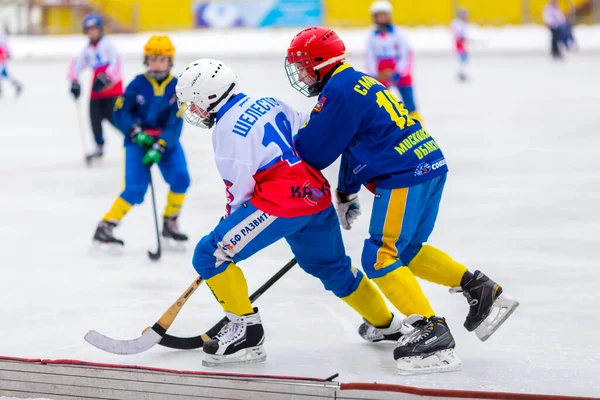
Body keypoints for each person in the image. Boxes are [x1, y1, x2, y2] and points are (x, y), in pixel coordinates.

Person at [285, 26, 519, 374]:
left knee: (379, 256)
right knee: (405, 250)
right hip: (428, 163)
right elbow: (352, 143)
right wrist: (346, 193)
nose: (301, 74)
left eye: (304, 66)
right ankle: (479, 288)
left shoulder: (339, 90)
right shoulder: (356, 81)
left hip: (404, 174)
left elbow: (314, 151)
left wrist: (293, 141)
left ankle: (430, 329)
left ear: (321, 63)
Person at [176, 58, 403, 368]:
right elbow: (306, 134)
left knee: (210, 255)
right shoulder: (266, 101)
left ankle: (246, 332)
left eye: (194, 103)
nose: (194, 111)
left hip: (280, 203)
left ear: (209, 97)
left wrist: (230, 224)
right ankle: (385, 323)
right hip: (316, 195)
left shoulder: (225, 132)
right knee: (333, 267)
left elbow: (240, 191)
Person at [92, 35, 189, 251]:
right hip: (137, 142)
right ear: (146, 60)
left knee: (181, 177)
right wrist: (136, 133)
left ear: (170, 61)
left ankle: (170, 220)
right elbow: (121, 113)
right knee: (135, 189)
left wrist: (161, 145)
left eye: (162, 59)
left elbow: (176, 120)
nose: (157, 63)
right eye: (153, 59)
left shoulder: (177, 87)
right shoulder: (136, 84)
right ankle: (106, 225)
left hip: (166, 142)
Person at [68, 13, 123, 162]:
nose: (92, 32)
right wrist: (74, 81)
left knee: (116, 118)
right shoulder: (88, 49)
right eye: (89, 30)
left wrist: (107, 77)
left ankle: (134, 138)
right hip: (97, 89)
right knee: (94, 118)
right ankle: (99, 146)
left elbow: (116, 64)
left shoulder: (108, 44)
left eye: (94, 29)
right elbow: (77, 65)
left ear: (100, 29)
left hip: (112, 89)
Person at [366, 0, 421, 121]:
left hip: (399, 71)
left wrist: (399, 72)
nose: (382, 19)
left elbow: (406, 54)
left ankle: (417, 126)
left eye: (384, 15)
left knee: (409, 104)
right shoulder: (372, 36)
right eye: (379, 16)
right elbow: (370, 57)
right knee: (380, 104)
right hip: (381, 73)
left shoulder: (398, 33)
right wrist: (375, 74)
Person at [0, 30, 23, 97]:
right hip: (2, 58)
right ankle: (17, 85)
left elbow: (4, 47)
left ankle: (17, 85)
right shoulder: (2, 35)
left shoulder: (1, 35)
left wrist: (6, 54)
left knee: (4, 74)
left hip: (1, 59)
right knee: (4, 74)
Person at [451, 8, 469, 81]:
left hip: (460, 41)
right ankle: (461, 72)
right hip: (459, 41)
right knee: (462, 57)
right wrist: (461, 39)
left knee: (463, 57)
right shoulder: (458, 23)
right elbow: (458, 33)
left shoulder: (460, 22)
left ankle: (462, 71)